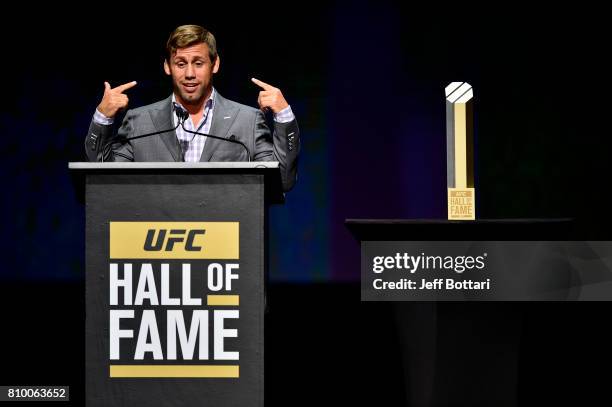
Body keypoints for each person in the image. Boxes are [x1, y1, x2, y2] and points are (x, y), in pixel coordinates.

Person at [84, 24, 299, 191]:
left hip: (228, 243)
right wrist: (102, 119)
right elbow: (102, 182)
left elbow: (281, 182)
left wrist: (283, 116)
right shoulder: (140, 122)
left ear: (214, 64)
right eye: (180, 64)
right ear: (167, 67)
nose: (189, 74)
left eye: (198, 63)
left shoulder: (247, 121)